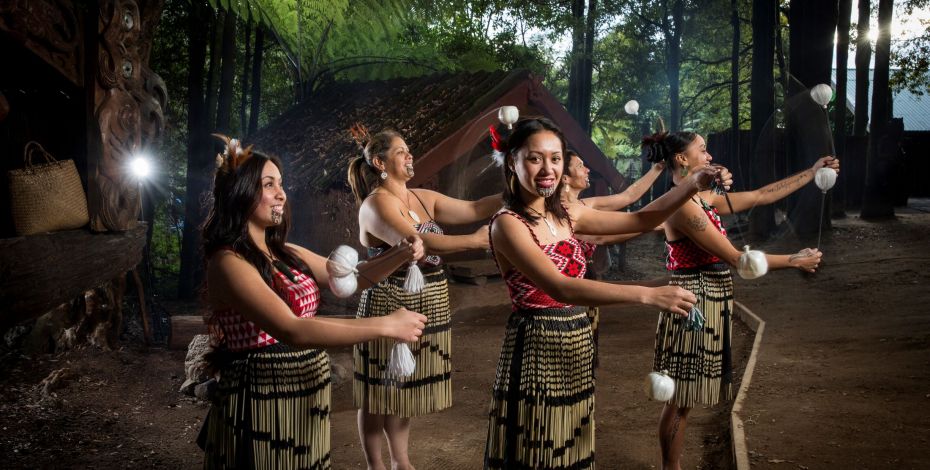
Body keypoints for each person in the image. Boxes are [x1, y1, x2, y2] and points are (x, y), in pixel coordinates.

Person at [485, 117, 725, 469]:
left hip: (577, 339)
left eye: (555, 158)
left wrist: (692, 184)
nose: (548, 169)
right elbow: (560, 286)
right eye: (535, 159)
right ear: (512, 162)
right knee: (538, 448)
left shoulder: (568, 213)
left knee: (572, 445)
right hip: (537, 346)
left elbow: (641, 219)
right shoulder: (508, 223)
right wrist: (647, 293)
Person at [199, 136, 428, 469]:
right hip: (262, 401)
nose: (281, 193)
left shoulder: (286, 254)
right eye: (268, 185)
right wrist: (386, 325)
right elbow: (292, 329)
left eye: (281, 183)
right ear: (241, 192)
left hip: (304, 399)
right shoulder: (228, 263)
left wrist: (401, 253)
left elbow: (356, 277)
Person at [640, 130, 837, 470]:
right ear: (682, 159)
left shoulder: (703, 199)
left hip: (712, 298)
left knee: (686, 398)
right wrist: (794, 260)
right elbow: (736, 258)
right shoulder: (683, 206)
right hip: (693, 303)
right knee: (681, 399)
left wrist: (811, 171)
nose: (709, 154)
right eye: (702, 150)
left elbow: (761, 195)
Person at [347, 129, 501, 470]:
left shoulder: (420, 197)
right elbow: (418, 241)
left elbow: (475, 207)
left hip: (425, 303)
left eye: (408, 149)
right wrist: (477, 242)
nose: (409, 156)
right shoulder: (376, 204)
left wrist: (515, 193)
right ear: (380, 162)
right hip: (388, 304)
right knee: (380, 392)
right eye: (401, 152)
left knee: (403, 387)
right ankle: (377, 466)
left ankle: (402, 462)